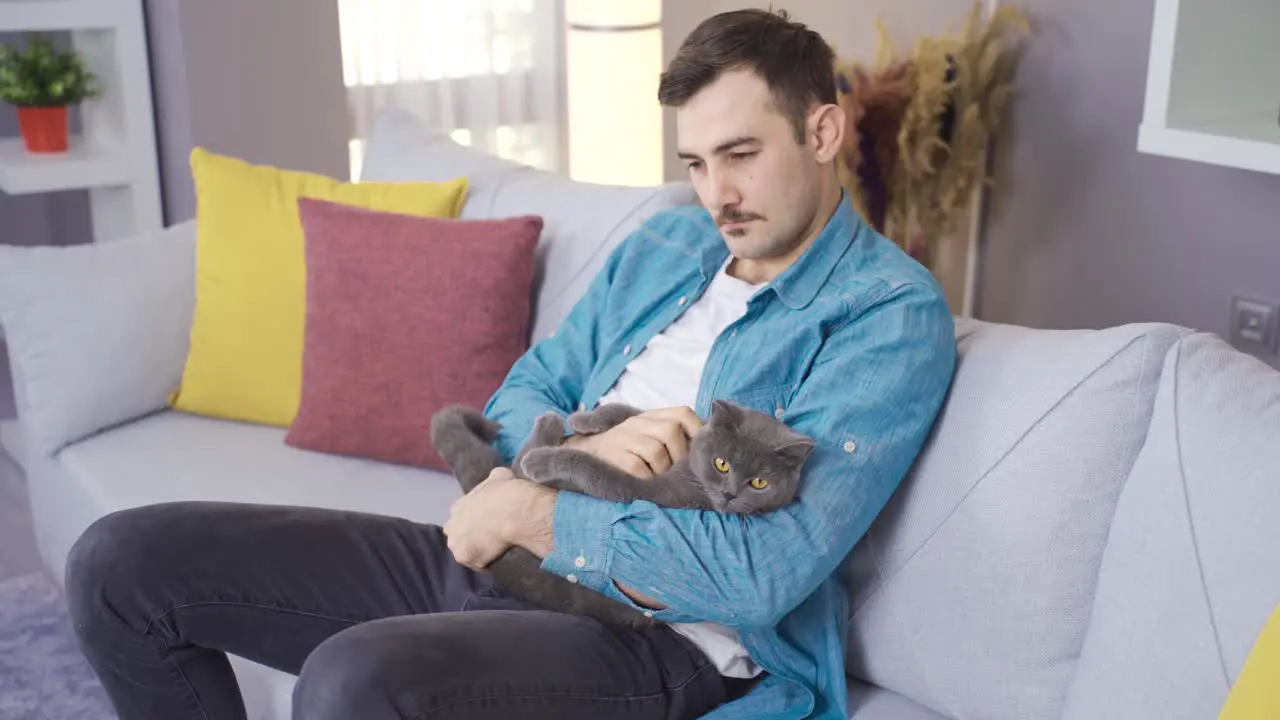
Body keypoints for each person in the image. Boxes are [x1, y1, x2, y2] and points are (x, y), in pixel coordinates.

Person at [64, 8, 955, 720]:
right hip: (499, 555)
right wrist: (585, 451)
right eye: (694, 162)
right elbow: (521, 392)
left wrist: (536, 508)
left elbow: (759, 576)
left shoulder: (885, 315)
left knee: (352, 681)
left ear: (824, 130)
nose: (716, 192)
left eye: (742, 156)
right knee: (121, 564)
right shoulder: (667, 246)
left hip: (659, 640)